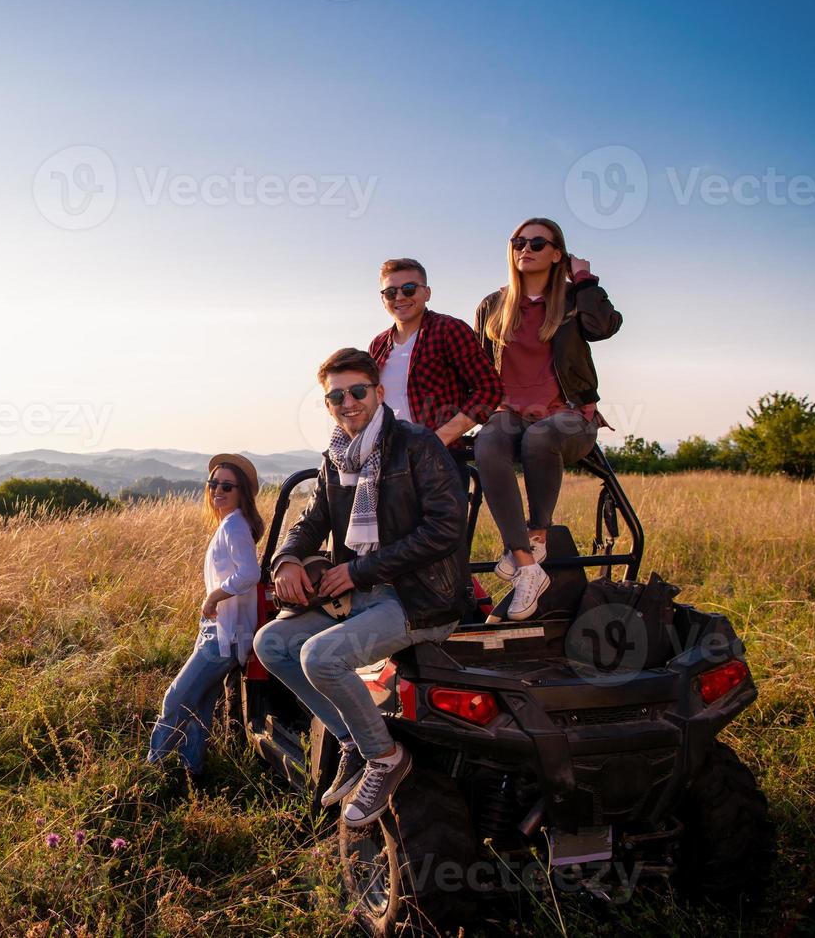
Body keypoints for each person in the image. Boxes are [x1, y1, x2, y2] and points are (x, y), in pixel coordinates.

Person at [254, 348, 471, 828]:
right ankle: (352, 738)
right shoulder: (336, 457)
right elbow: (313, 521)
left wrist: (360, 571)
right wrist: (287, 558)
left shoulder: (417, 445)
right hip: (362, 596)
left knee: (320, 657)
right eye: (336, 396)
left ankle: (386, 758)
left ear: (379, 391)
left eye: (357, 391)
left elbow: (445, 529)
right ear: (327, 403)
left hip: (420, 599)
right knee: (270, 642)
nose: (347, 402)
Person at [473, 217, 622, 621]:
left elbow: (604, 327)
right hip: (509, 414)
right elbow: (479, 371)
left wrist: (586, 280)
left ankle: (538, 532)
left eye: (538, 243)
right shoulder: (493, 305)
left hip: (570, 415)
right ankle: (525, 560)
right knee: (487, 442)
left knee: (541, 436)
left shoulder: (574, 301)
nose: (526, 248)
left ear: (558, 254)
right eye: (519, 241)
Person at [147, 454, 263, 779]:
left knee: (176, 697)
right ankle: (192, 774)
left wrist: (215, 594)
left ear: (242, 491)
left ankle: (150, 771)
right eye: (213, 484)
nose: (218, 491)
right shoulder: (229, 524)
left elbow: (249, 573)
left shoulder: (235, 525)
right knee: (198, 707)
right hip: (216, 630)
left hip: (223, 637)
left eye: (227, 485)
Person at [367, 258, 503, 449]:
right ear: (383, 300)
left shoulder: (448, 329)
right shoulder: (378, 345)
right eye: (390, 292)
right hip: (389, 456)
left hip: (439, 460)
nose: (399, 297)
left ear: (427, 293)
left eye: (409, 288)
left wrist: (437, 440)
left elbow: (489, 389)